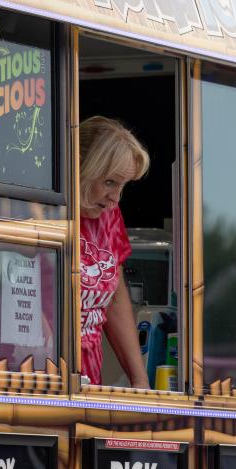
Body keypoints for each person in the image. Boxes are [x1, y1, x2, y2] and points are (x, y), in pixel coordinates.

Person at [78, 115, 151, 389]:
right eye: (109, 182)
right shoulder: (50, 213)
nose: (116, 198)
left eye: (123, 185)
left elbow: (116, 297)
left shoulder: (109, 215)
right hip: (51, 379)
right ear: (81, 166)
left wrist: (139, 379)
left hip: (90, 380)